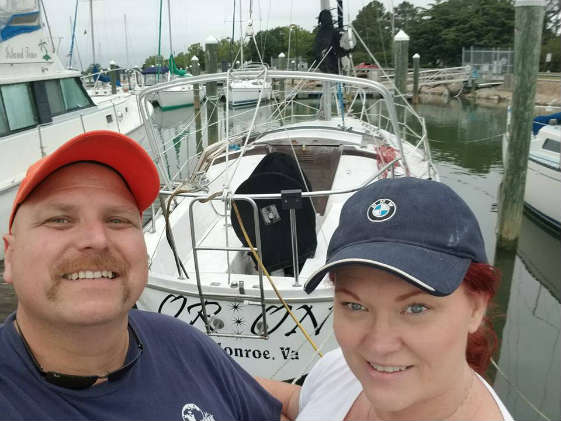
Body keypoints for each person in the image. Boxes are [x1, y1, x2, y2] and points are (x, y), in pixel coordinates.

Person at [0, 130, 281, 420]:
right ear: (10, 256)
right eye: (59, 220)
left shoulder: (179, 340)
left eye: (117, 220)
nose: (97, 239)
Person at [258, 177, 513, 420]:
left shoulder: (359, 368)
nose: (379, 346)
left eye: (416, 308)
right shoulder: (341, 371)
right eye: (355, 306)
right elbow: (300, 405)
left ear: (476, 308)